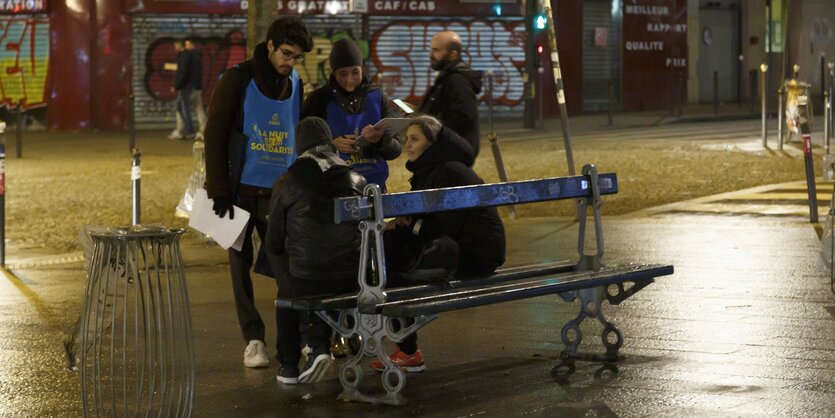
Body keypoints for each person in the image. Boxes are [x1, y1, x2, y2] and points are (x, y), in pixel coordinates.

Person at [203, 16, 312, 369]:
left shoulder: (294, 82)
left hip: (279, 195)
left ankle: (292, 341)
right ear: (270, 46)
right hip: (237, 194)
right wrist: (219, 189)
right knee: (240, 268)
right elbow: (215, 135)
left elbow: (295, 134)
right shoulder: (237, 79)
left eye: (296, 57)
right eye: (285, 53)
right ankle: (253, 339)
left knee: (286, 268)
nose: (290, 62)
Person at [371, 114, 506, 372]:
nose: (407, 145)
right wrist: (406, 222)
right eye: (406, 139)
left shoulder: (448, 171)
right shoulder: (434, 170)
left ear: (432, 144)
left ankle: (408, 351)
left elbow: (448, 224)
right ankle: (405, 348)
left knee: (396, 273)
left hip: (476, 254)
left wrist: (410, 224)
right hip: (467, 247)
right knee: (392, 251)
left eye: (415, 139)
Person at [265, 116, 366, 384]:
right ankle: (316, 344)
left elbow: (273, 242)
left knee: (287, 286)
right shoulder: (357, 179)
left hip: (309, 279)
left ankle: (289, 364)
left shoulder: (287, 181)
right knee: (321, 267)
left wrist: (284, 273)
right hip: (352, 279)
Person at [301, 37, 401, 192]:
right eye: (343, 74)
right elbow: (303, 152)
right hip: (335, 190)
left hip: (375, 191)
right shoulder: (318, 100)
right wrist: (331, 146)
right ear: (333, 73)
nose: (350, 80)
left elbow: (395, 150)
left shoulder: (377, 98)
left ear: (362, 69)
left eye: (355, 72)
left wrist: (381, 141)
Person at [419, 31, 483, 160]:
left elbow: (464, 116)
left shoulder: (457, 80)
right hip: (449, 149)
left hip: (452, 152)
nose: (431, 55)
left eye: (436, 50)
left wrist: (433, 131)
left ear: (453, 53)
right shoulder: (447, 77)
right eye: (431, 50)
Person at [183, 37, 208, 139]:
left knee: (197, 108)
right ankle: (202, 129)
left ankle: (201, 130)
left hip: (193, 87)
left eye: (188, 44)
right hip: (195, 86)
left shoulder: (192, 57)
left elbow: (191, 73)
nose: (186, 47)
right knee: (198, 108)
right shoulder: (196, 57)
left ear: (193, 45)